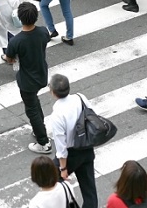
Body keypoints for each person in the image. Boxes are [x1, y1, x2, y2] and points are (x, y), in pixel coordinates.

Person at [6, 2, 51, 153]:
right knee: (34, 103)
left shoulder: (16, 41)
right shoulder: (43, 31)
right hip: (41, 73)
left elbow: (9, 58)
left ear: (19, 18)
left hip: (27, 80)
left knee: (31, 109)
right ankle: (40, 127)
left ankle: (43, 142)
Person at [48, 74, 98, 208]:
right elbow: (92, 115)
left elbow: (61, 147)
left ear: (53, 92)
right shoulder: (80, 98)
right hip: (86, 147)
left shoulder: (57, 115)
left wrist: (63, 168)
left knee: (50, 181)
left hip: (71, 155)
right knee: (90, 192)